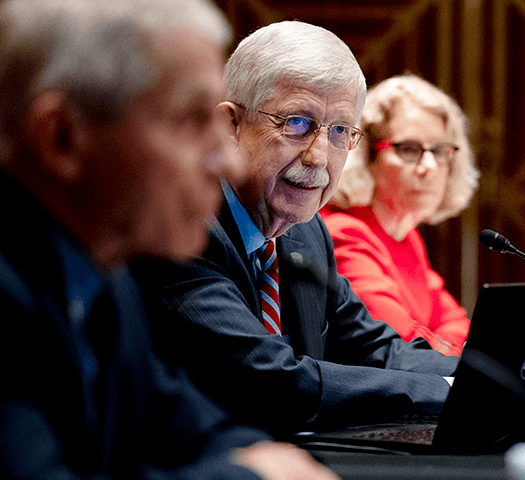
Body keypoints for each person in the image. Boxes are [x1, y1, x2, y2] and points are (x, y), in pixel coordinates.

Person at [0, 1, 339, 479]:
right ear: (62, 140)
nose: (232, 163)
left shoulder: (104, 278)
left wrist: (265, 462)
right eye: (193, 121)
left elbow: (189, 426)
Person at [132, 20, 458, 437]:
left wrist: (502, 379)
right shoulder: (182, 230)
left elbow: (378, 350)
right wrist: (448, 392)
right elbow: (271, 381)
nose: (319, 156)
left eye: (340, 131)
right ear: (230, 126)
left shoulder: (306, 234)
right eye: (296, 123)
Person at [320, 74, 480, 356]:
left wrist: (444, 343)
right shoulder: (344, 232)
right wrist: (449, 346)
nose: (428, 166)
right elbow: (401, 341)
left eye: (440, 150)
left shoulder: (407, 237)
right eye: (408, 149)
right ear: (366, 155)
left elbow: (456, 322)